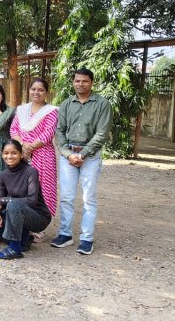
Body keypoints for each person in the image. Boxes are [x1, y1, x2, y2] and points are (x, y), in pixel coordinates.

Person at [51, 68, 112, 255]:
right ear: (73, 82)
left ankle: (86, 239)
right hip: (68, 154)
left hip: (90, 156)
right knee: (67, 197)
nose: (80, 84)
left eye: (84, 81)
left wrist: (83, 154)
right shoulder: (67, 104)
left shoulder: (102, 104)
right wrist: (68, 154)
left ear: (92, 82)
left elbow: (102, 133)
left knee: (88, 199)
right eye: (77, 81)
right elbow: (59, 131)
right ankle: (65, 235)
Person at [0, 140, 51, 260]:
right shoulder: (3, 175)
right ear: (2, 154)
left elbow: (31, 201)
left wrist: (5, 201)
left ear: (21, 154)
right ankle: (24, 240)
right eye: (6, 153)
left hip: (38, 217)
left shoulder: (31, 172)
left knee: (14, 205)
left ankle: (15, 248)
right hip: (16, 213)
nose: (9, 156)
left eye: (14, 153)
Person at [10, 78, 58, 238]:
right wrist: (23, 145)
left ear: (46, 92)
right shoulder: (22, 110)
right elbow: (14, 129)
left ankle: (40, 227)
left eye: (40, 90)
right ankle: (23, 222)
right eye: (33, 89)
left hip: (43, 155)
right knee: (22, 188)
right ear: (28, 90)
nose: (36, 92)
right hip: (21, 154)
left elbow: (48, 133)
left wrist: (29, 147)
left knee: (43, 189)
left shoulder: (51, 111)